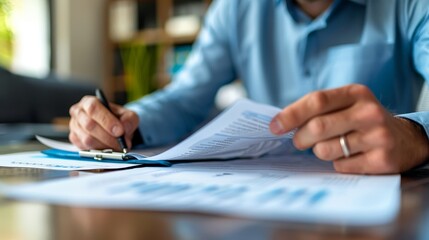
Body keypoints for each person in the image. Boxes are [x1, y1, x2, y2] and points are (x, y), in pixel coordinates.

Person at [69, 0, 429, 174]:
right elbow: (185, 97)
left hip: (379, 192)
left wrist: (415, 136)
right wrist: (129, 121)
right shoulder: (235, 9)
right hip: (266, 192)